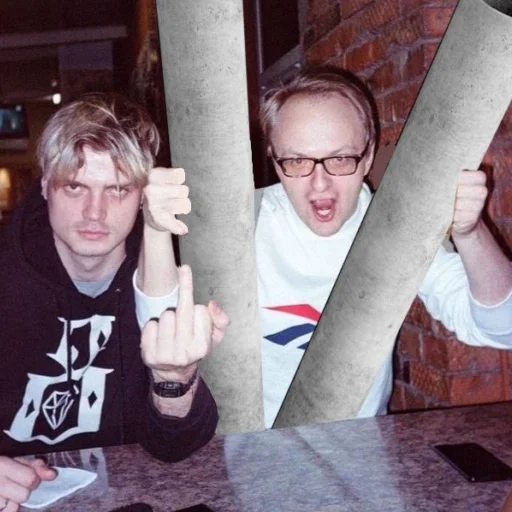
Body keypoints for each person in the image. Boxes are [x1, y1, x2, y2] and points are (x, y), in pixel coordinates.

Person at [134, 66, 512, 429]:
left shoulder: (393, 229)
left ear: (367, 156)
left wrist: (470, 233)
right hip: (248, 452)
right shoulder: (242, 225)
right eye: (297, 161)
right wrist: (154, 229)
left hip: (361, 452)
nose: (319, 184)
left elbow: (501, 329)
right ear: (274, 159)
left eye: (340, 158)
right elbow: (160, 330)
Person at [0, 93, 228, 511]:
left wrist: (173, 378)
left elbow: (176, 449)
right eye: (75, 186)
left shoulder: (163, 281)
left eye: (118, 189)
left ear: (143, 195)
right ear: (46, 185)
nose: (95, 212)